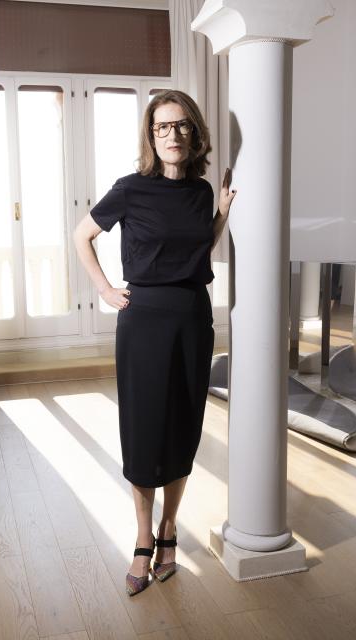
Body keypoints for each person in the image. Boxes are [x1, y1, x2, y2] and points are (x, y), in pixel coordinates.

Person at [73, 89, 236, 597]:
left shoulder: (203, 191)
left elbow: (196, 250)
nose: (172, 135)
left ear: (195, 134)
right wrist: (105, 291)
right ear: (150, 135)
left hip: (193, 315)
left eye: (181, 126)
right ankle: (144, 536)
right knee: (144, 430)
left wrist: (223, 214)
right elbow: (81, 236)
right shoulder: (130, 189)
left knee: (184, 427)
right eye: (163, 127)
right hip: (142, 318)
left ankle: (170, 530)